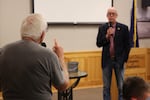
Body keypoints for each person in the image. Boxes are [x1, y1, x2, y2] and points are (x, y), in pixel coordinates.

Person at [0, 13, 69, 100]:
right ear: (42, 35)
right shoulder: (48, 55)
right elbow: (62, 86)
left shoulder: (3, 51)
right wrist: (61, 58)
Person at [96, 7, 131, 100]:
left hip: (119, 61)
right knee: (106, 87)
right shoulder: (102, 28)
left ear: (116, 15)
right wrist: (107, 36)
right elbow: (98, 43)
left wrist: (124, 59)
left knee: (121, 86)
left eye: (113, 14)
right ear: (107, 16)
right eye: (109, 14)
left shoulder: (123, 28)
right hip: (107, 61)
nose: (111, 16)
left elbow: (128, 45)